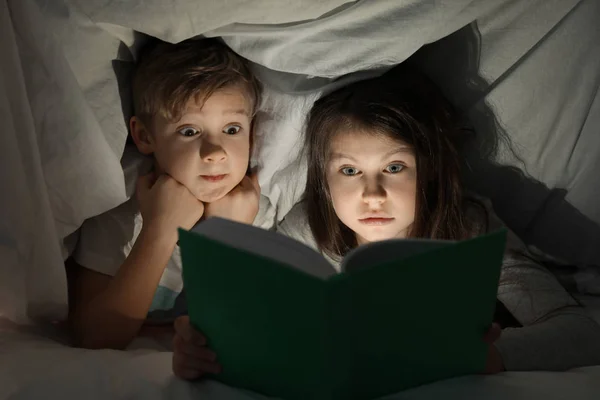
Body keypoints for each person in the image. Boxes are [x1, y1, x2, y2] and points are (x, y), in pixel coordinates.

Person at [172, 63, 600, 379]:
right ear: (324, 180)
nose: (371, 195)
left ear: (427, 170)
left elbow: (581, 332)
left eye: (394, 168)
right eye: (349, 171)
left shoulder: (466, 227)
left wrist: (491, 355)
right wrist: (199, 344)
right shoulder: (312, 226)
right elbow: (247, 316)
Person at [68, 38, 262, 352]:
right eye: (189, 131)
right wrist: (160, 230)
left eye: (232, 129)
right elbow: (93, 336)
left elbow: (244, 336)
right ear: (145, 136)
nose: (215, 153)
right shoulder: (121, 203)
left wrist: (229, 240)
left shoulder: (252, 209)